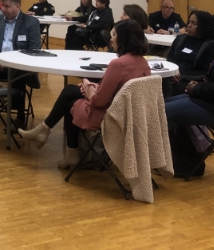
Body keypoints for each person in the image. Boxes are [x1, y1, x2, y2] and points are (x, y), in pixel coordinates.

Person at [19, 19, 151, 168]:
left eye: (114, 35)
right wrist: (93, 87)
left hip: (111, 116)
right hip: (131, 115)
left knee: (70, 99)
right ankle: (48, 134)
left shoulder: (118, 64)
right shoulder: (143, 63)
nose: (111, 38)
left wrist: (90, 93)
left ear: (124, 38)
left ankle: (54, 139)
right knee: (71, 92)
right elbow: (119, 90)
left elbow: (99, 101)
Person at [163, 10, 214, 97]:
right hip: (172, 76)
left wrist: (181, 77)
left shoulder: (211, 46)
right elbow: (170, 60)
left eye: (194, 23)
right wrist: (171, 73)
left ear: (203, 26)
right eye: (189, 22)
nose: (189, 25)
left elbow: (205, 73)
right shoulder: (180, 39)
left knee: (169, 89)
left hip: (191, 81)